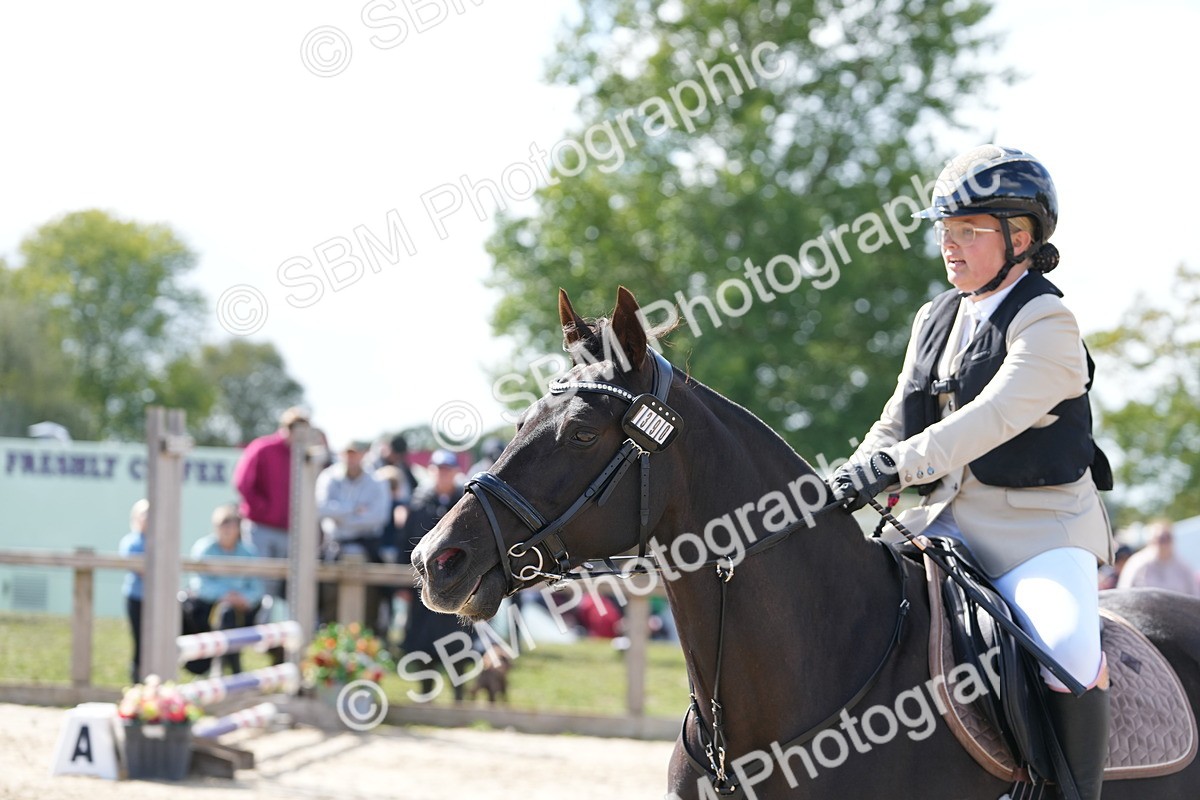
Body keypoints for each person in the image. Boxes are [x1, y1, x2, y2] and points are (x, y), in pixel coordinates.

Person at [830, 145, 1114, 799]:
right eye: (945, 232)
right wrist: (841, 481)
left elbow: (983, 422)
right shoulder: (935, 317)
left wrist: (887, 468)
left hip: (1036, 535)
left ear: (1022, 237)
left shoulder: (1049, 322)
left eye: (968, 232)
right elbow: (896, 421)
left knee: (1068, 655)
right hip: (935, 523)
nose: (950, 247)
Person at [399, 448, 469, 700]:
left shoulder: (465, 504)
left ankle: (459, 696)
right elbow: (406, 544)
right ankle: (425, 695)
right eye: (438, 470)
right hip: (425, 585)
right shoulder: (418, 504)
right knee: (423, 641)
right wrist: (404, 585)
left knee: (457, 641)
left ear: (455, 472)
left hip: (458, 585)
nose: (443, 475)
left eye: (447, 470)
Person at [233, 406, 310, 602]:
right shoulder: (263, 448)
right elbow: (242, 482)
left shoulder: (304, 455)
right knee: (260, 582)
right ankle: (258, 626)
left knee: (289, 586)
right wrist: (263, 510)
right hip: (262, 528)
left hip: (290, 530)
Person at [316, 440, 391, 632]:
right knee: (326, 591)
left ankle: (370, 635)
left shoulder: (377, 481)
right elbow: (322, 509)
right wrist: (354, 510)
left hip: (367, 546)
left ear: (363, 454)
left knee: (374, 594)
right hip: (334, 545)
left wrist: (341, 515)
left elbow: (378, 517)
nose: (351, 458)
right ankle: (328, 634)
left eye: (355, 453)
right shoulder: (329, 477)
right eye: (347, 453)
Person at [184, 504, 265, 675]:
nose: (228, 529)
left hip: (242, 611)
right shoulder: (204, 548)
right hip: (206, 609)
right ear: (215, 526)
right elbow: (198, 583)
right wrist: (225, 596)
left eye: (232, 524)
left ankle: (226, 666)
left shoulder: (249, 553)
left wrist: (242, 599)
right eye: (223, 524)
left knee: (228, 613)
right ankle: (226, 666)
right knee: (225, 612)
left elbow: (257, 587)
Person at [1117, 521, 1199, 595]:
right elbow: (1124, 593)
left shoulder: (1183, 567)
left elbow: (1195, 596)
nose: (1164, 543)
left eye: (1167, 538)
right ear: (1151, 540)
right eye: (1160, 539)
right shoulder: (1136, 564)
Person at [118, 498, 149, 684]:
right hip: (137, 598)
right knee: (139, 641)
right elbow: (142, 569)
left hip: (157, 600)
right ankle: (136, 683)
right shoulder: (131, 542)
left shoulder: (162, 540)